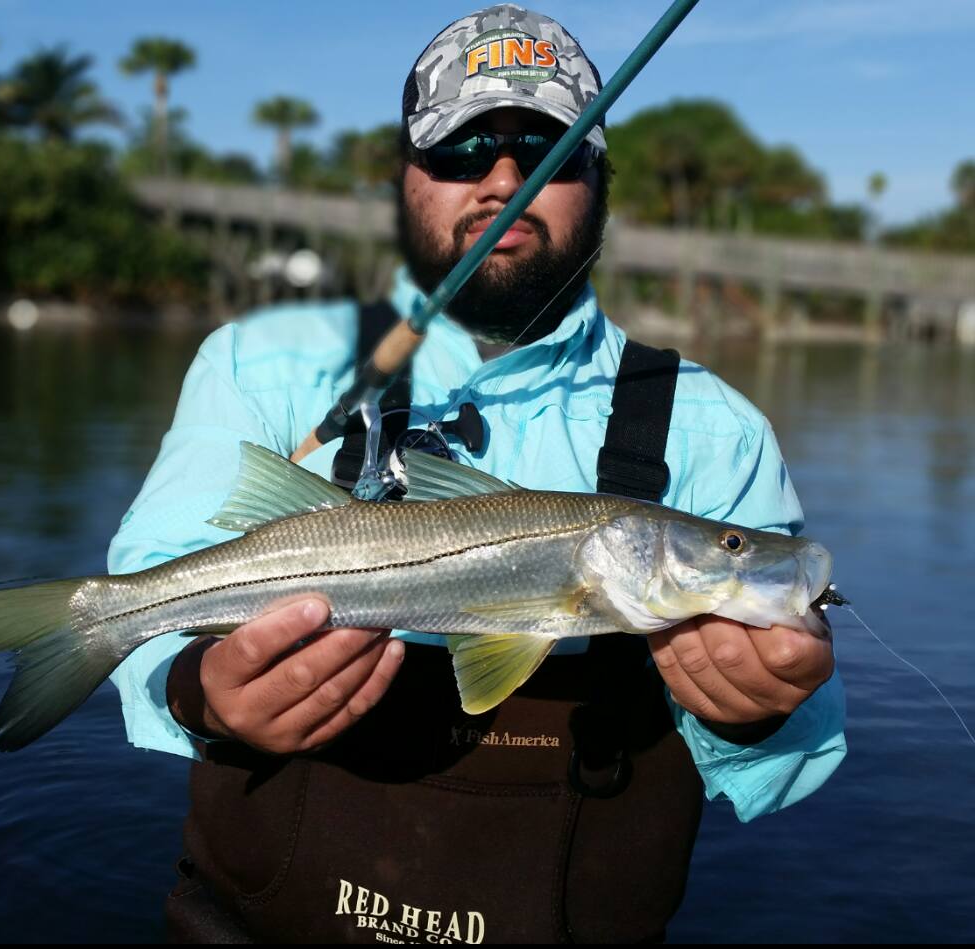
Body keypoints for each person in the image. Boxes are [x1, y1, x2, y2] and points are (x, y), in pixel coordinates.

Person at [108, 5, 846, 942]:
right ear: (404, 178)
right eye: (461, 151)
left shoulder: (719, 430)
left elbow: (793, 750)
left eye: (550, 149)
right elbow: (147, 611)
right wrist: (197, 692)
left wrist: (757, 713)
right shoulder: (260, 365)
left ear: (600, 181)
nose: (505, 179)